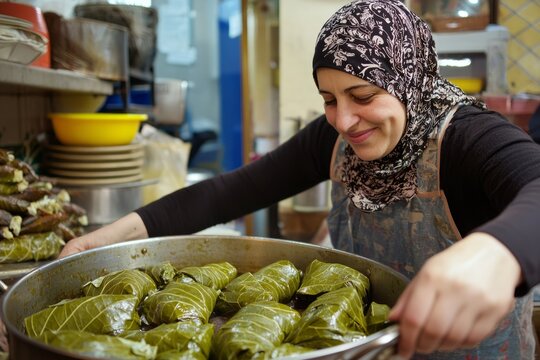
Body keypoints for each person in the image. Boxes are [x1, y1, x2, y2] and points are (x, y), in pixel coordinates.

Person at [60, 0, 540, 358]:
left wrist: (496, 254)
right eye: (329, 100)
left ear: (408, 81)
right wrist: (110, 237)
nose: (345, 121)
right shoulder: (332, 141)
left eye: (363, 94)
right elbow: (229, 192)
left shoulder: (469, 139)